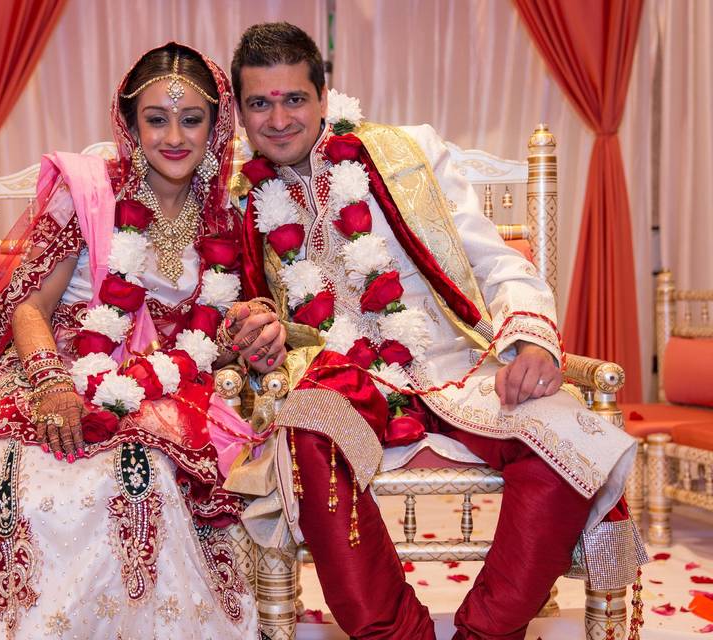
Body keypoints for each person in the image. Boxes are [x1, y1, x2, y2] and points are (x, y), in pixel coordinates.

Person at [231, 22, 646, 640]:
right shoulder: (238, 196)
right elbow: (229, 310)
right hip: (341, 375)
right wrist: (251, 330)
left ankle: (486, 632)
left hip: (458, 363)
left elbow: (496, 262)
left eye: (295, 98)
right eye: (260, 103)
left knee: (567, 437)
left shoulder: (409, 153)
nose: (279, 118)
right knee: (307, 429)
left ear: (324, 95)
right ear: (239, 111)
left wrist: (532, 340)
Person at [0, 43, 276, 639]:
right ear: (129, 123)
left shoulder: (230, 211)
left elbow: (215, 333)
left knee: (136, 471)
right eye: (156, 118)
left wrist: (245, 329)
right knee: (31, 479)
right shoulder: (91, 192)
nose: (173, 136)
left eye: (191, 119)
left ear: (217, 125)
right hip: (53, 370)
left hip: (162, 383)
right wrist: (50, 384)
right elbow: (30, 308)